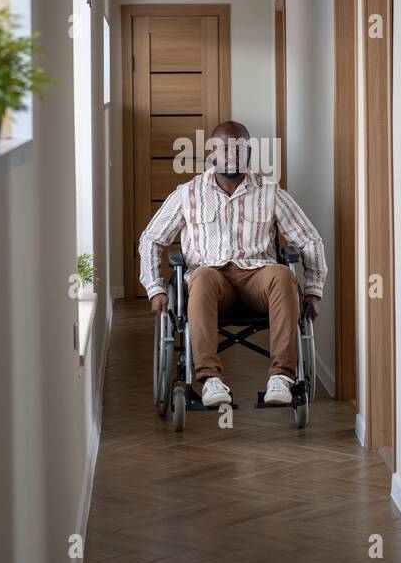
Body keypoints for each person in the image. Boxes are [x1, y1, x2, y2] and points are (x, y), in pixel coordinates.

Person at [139, 121, 327, 407]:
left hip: (258, 279)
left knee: (282, 274)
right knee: (200, 277)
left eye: (238, 148)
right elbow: (151, 238)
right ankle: (210, 379)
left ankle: (281, 377)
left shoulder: (269, 192)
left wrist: (313, 289)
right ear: (211, 152)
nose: (231, 154)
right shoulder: (188, 194)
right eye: (223, 148)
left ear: (248, 152)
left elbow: (310, 240)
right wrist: (155, 288)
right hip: (212, 282)